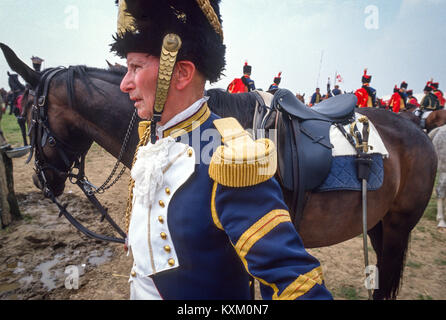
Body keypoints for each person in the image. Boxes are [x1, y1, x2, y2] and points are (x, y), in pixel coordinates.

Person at [112, 0, 332, 300]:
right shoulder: (150, 138)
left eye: (135, 67)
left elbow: (295, 284)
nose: (125, 84)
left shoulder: (232, 157)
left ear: (181, 74)